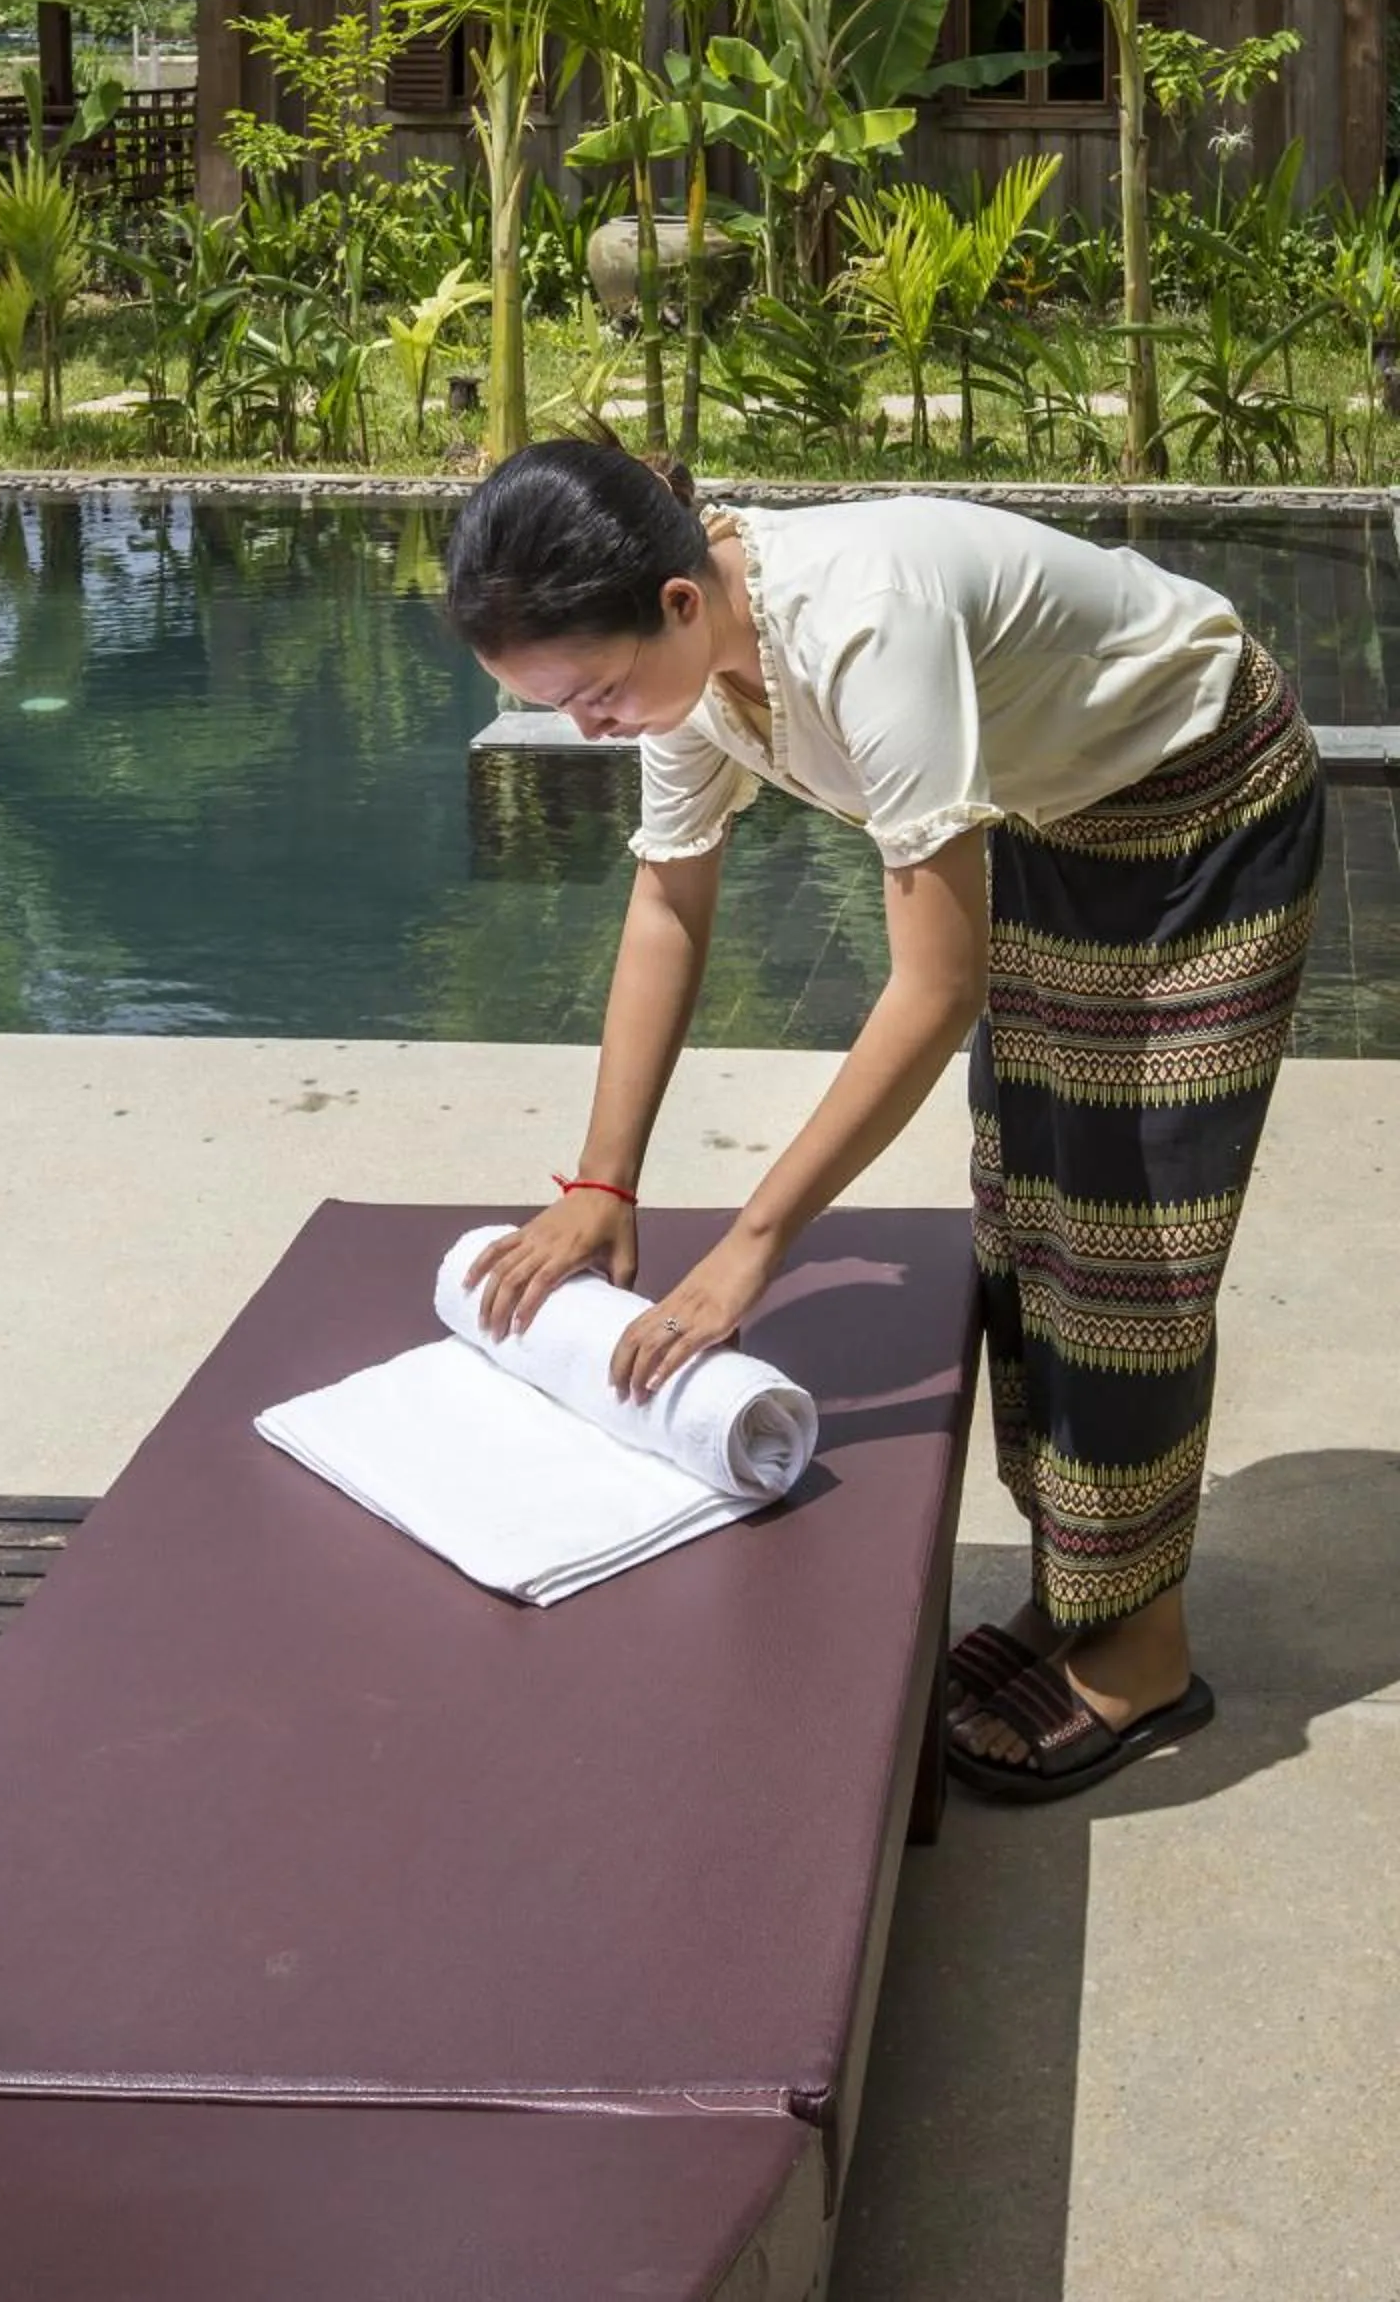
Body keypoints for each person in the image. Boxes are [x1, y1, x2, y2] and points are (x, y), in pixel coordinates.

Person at [445, 442, 1323, 1804]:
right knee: (1031, 1209)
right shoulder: (684, 672)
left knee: (1130, 1242)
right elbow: (668, 904)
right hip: (1058, 809)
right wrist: (600, 1185)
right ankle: (1081, 1593)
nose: (591, 730)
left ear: (681, 601)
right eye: (555, 707)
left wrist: (753, 1242)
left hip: (1202, 801)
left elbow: (934, 984)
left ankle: (1143, 1651)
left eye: (598, 695)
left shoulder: (861, 625)